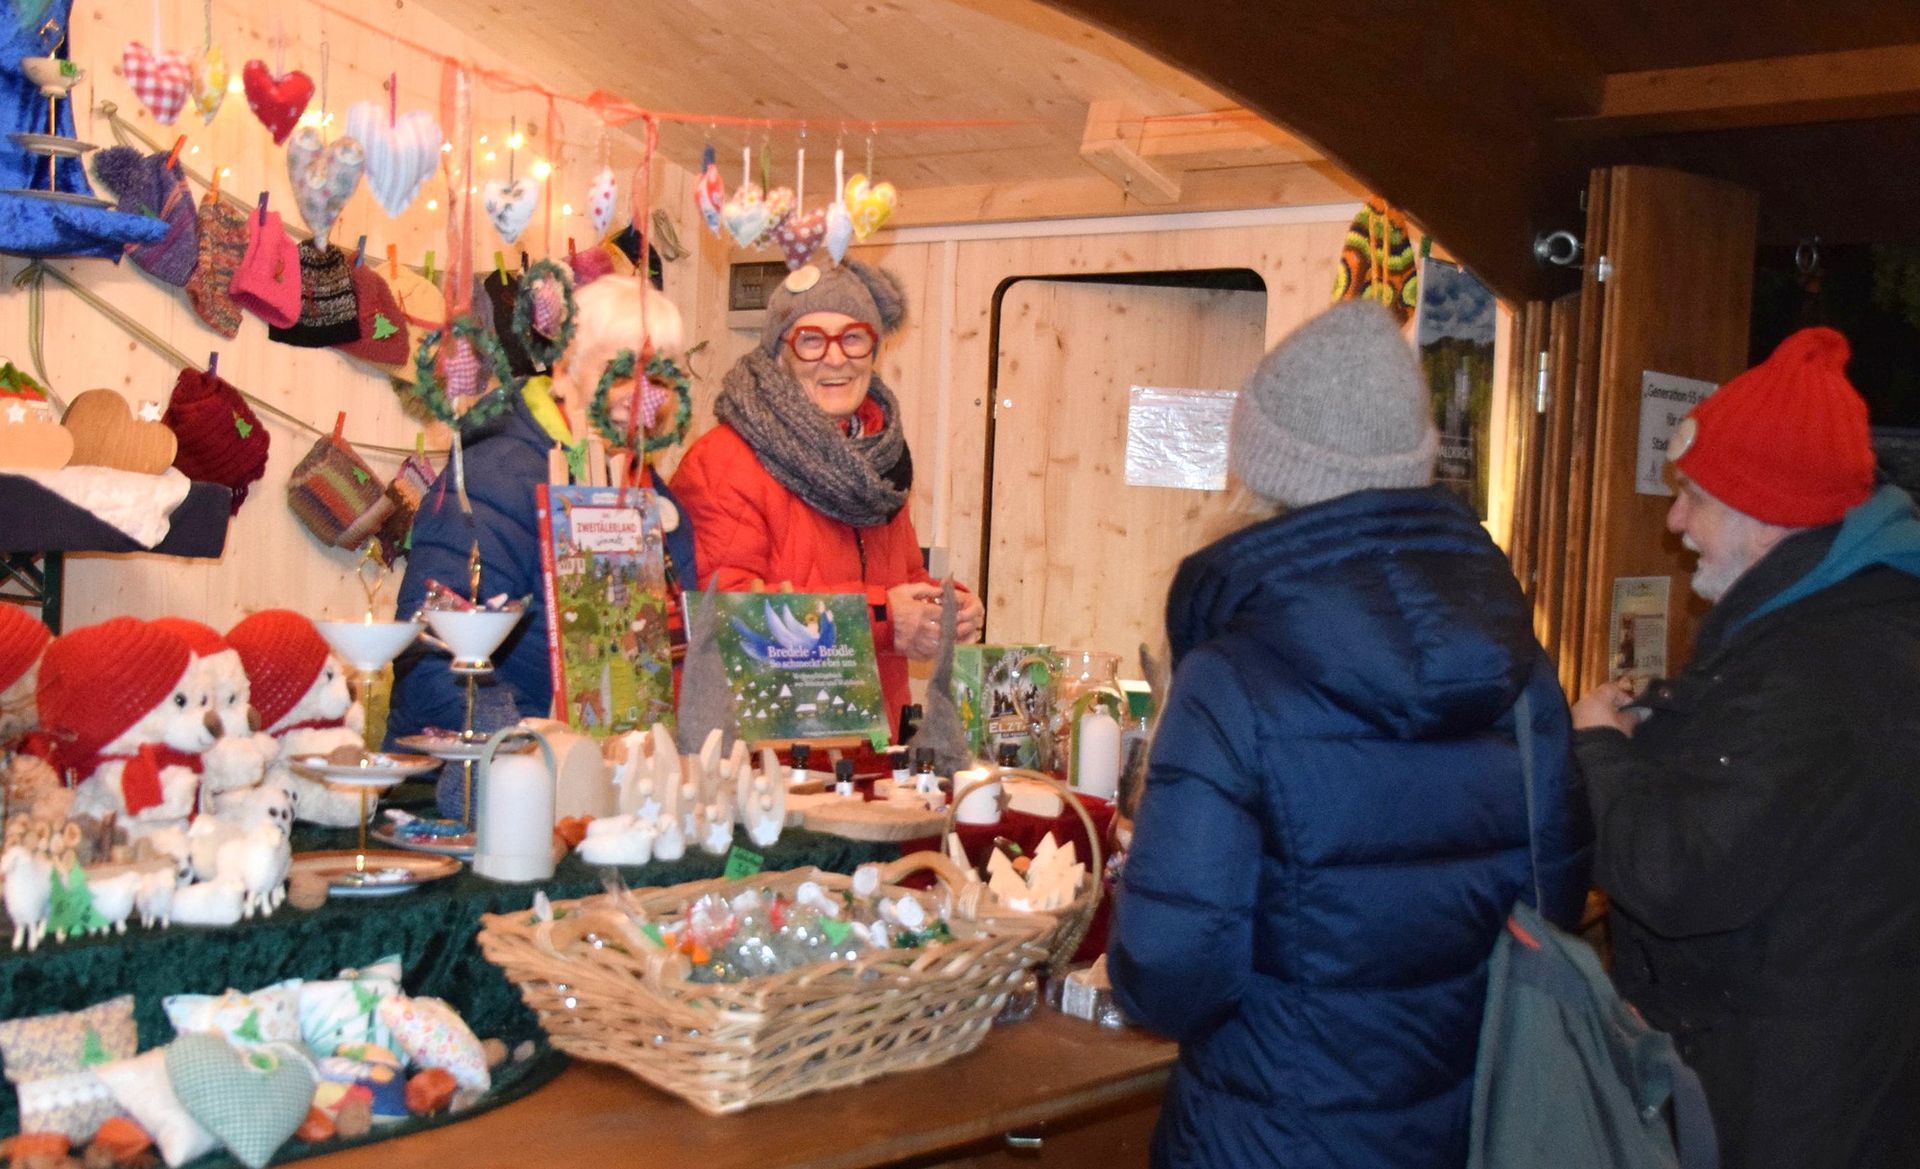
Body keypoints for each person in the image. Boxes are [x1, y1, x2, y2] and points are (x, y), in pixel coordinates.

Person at [1109, 301, 1591, 1169]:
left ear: (1258, 462)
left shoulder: (1233, 674)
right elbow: (1551, 908)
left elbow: (1168, 973)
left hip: (1269, 1137)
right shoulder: (1520, 665)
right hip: (1458, 1128)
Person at [1571, 326, 1920, 1169]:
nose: (1676, 519)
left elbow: (1678, 875)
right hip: (1842, 1089)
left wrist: (1597, 747)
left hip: (1782, 1110)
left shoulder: (1812, 669)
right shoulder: (1853, 628)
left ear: (1769, 516)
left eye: (1697, 496)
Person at [387, 277, 697, 782]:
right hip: (477, 790)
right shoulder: (495, 475)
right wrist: (531, 750)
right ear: (564, 368)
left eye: (659, 376)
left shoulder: (652, 496)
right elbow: (434, 652)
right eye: (618, 369)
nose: (640, 394)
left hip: (610, 791)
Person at [671, 261, 982, 730]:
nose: (836, 359)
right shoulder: (723, 462)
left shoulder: (877, 463)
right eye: (811, 340)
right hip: (764, 756)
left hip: (872, 749)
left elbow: (905, 578)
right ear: (780, 353)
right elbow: (723, 620)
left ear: (874, 349)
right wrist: (881, 617)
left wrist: (944, 608)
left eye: (853, 337)